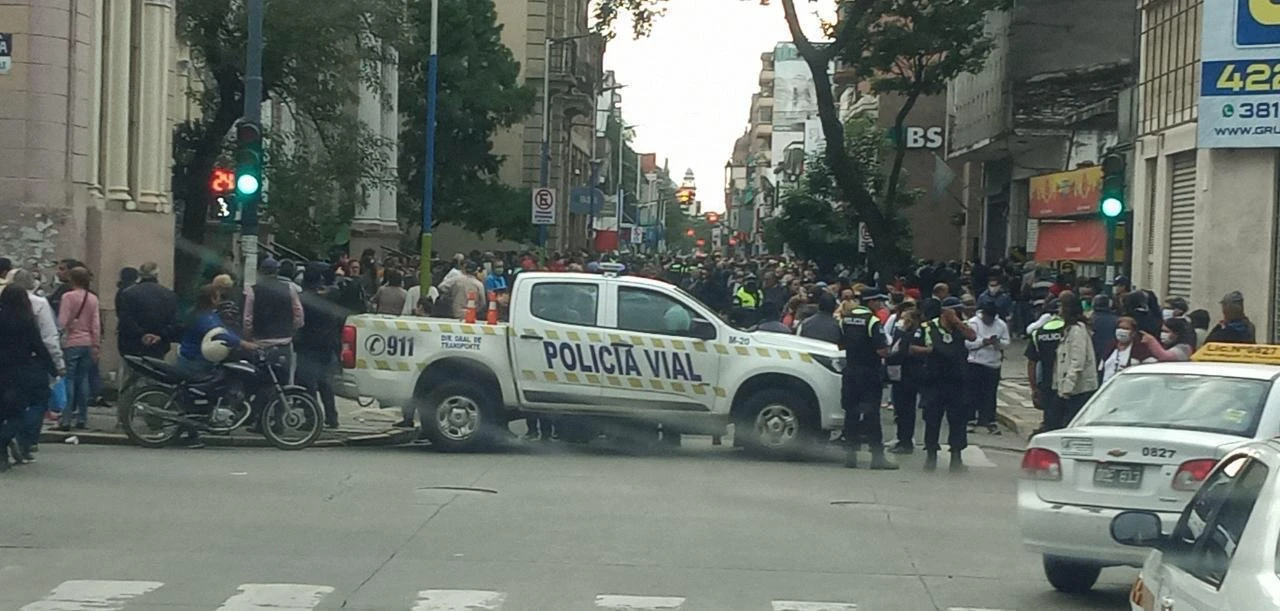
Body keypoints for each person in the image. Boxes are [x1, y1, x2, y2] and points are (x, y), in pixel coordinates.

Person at [178, 285, 258, 448]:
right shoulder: (205, 318)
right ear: (212, 299)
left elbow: (224, 331)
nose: (220, 299)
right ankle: (192, 433)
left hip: (195, 358)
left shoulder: (204, 314)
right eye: (217, 296)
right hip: (196, 361)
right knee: (200, 395)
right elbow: (219, 334)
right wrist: (244, 344)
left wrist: (239, 341)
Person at [0, 285, 58, 470]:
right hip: (19, 373)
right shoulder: (26, 321)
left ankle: (2, 455)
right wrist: (53, 369)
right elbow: (38, 347)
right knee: (17, 414)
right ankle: (3, 442)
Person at [838, 287, 896, 470]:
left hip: (850, 371)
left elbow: (840, 345)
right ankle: (877, 457)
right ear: (870, 302)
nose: (880, 304)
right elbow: (882, 350)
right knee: (872, 414)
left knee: (851, 413)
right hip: (869, 373)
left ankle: (850, 456)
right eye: (878, 301)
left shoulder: (845, 319)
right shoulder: (872, 321)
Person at [920, 297, 976, 472]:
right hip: (934, 381)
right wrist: (930, 351)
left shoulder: (960, 327)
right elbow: (912, 347)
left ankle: (956, 457)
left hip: (957, 382)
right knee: (932, 419)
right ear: (944, 311)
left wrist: (957, 322)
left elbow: (972, 337)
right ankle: (931, 456)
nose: (958, 313)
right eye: (955, 310)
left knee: (958, 420)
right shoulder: (928, 327)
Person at [115, 262, 180, 397]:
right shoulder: (169, 295)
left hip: (132, 345)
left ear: (140, 274)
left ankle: (126, 407)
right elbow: (174, 322)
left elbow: (126, 320)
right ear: (157, 274)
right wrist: (160, 335)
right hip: (158, 345)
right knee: (155, 379)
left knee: (129, 381)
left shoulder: (129, 294)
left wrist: (142, 334)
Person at [296, 264, 344, 428]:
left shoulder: (302, 299)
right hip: (327, 344)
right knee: (325, 383)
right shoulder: (328, 298)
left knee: (308, 384)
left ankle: (312, 418)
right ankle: (332, 417)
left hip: (307, 345)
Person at [243, 258, 304, 383]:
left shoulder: (252, 290)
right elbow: (298, 313)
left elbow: (248, 318)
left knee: (261, 381)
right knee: (284, 381)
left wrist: (248, 336)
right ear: (277, 271)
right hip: (284, 341)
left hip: (261, 342)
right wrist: (291, 328)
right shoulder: (289, 288)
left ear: (260, 272)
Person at [56, 267, 100, 431]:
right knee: (83, 380)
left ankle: (66, 419)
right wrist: (96, 345)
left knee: (69, 379)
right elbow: (96, 324)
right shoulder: (93, 298)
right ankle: (82, 418)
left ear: (72, 279)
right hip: (88, 342)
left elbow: (62, 321)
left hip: (71, 342)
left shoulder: (67, 297)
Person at [1053, 292, 1098, 428]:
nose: (1058, 310)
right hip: (1070, 389)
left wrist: (1067, 386)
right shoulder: (1068, 329)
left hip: (1078, 389)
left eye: (1060, 306)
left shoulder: (1077, 330)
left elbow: (1077, 361)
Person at [964, 302, 1010, 435]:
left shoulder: (1001, 325)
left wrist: (997, 343)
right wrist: (983, 342)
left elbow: (1007, 343)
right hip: (975, 362)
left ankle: (989, 420)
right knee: (972, 392)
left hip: (993, 363)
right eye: (986, 316)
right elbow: (967, 343)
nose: (988, 320)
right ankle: (970, 419)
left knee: (990, 394)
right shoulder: (973, 323)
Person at [886, 306, 927, 454]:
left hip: (909, 376)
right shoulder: (903, 333)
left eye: (905, 318)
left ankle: (906, 441)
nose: (901, 321)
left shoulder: (916, 333)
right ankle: (900, 438)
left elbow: (905, 351)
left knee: (906, 410)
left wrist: (889, 358)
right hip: (899, 375)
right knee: (900, 409)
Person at [1025, 299, 1064, 434]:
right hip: (1067, 379)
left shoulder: (1038, 333)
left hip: (1046, 380)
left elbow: (1032, 363)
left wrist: (1034, 387)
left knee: (1049, 418)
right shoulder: (1069, 329)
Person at [1099, 317, 1151, 384]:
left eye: (1126, 328)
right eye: (1119, 328)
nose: (1121, 331)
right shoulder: (1109, 348)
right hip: (1107, 386)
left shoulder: (1141, 351)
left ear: (1133, 332)